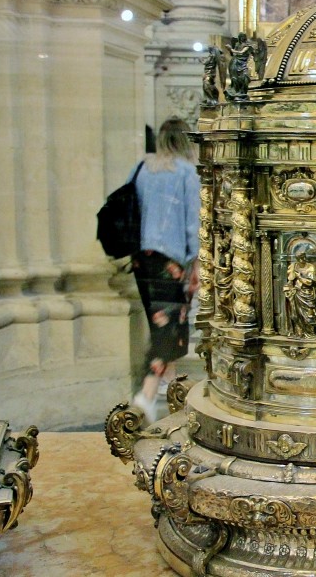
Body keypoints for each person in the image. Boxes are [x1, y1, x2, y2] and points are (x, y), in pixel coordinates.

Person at [128, 117, 200, 422]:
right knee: (168, 330)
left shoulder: (143, 168)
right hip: (170, 261)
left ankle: (171, 392)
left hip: (141, 258)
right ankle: (146, 394)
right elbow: (192, 224)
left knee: (164, 324)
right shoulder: (186, 172)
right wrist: (196, 263)